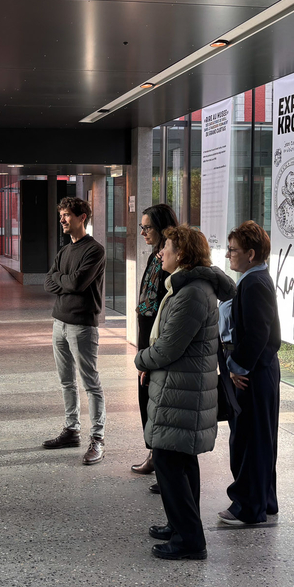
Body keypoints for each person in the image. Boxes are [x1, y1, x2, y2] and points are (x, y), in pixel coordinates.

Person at [135, 225, 235, 560]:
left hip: (182, 388)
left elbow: (168, 348)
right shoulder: (186, 286)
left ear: (184, 254)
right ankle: (180, 526)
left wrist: (141, 359)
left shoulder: (192, 292)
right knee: (181, 460)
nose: (161, 253)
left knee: (168, 459)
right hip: (181, 387)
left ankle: (190, 540)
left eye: (167, 247)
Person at [220, 220, 282, 526]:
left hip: (255, 374)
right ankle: (263, 501)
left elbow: (259, 334)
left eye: (234, 250)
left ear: (252, 254)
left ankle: (249, 507)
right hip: (261, 371)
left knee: (251, 442)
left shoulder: (253, 283)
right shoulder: (253, 279)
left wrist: (236, 367)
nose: (229, 255)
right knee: (260, 440)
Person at [42, 196, 107, 465]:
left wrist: (62, 280)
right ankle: (72, 430)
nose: (62, 219)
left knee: (90, 383)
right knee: (66, 381)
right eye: (61, 215)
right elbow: (48, 282)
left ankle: (98, 438)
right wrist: (62, 280)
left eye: (67, 214)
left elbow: (78, 283)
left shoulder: (95, 250)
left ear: (82, 217)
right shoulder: (64, 250)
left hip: (82, 325)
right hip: (59, 322)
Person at [131, 203, 179, 478]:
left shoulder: (170, 261)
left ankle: (160, 459)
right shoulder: (154, 257)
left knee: (157, 398)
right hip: (146, 336)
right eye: (142, 227)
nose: (143, 232)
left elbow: (166, 307)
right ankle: (153, 453)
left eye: (147, 227)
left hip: (158, 340)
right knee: (145, 395)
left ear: (162, 228)